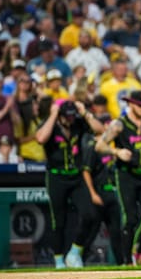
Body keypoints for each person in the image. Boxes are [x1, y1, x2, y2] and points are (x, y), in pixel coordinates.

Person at [95, 89, 141, 265]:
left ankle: (138, 249)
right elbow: (100, 145)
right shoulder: (119, 124)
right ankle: (126, 261)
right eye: (140, 105)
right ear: (130, 104)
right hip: (126, 174)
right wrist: (116, 151)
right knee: (130, 218)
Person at [35, 99, 104, 268]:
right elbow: (40, 138)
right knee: (58, 220)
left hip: (76, 176)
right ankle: (59, 260)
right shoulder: (51, 124)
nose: (71, 119)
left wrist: (84, 111)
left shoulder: (78, 123)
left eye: (73, 116)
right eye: (67, 116)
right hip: (56, 176)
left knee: (90, 214)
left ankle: (74, 252)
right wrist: (53, 114)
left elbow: (100, 130)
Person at [81, 113, 125, 266]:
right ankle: (79, 261)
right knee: (91, 232)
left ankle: (122, 265)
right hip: (98, 193)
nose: (110, 128)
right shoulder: (92, 146)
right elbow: (86, 171)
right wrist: (92, 194)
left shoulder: (112, 146)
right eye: (108, 124)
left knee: (116, 232)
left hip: (110, 192)